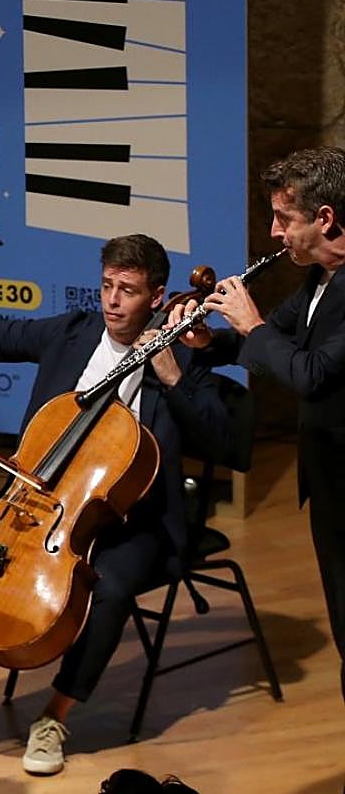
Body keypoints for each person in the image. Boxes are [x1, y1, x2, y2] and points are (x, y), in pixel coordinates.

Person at [0, 234, 230, 776]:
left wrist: (172, 375)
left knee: (110, 588)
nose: (112, 301)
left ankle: (56, 713)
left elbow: (219, 437)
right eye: (106, 285)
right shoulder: (73, 332)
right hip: (40, 499)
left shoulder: (184, 357)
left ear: (157, 297)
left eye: (128, 291)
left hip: (136, 518)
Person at [168, 145, 345, 704]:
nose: (274, 232)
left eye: (283, 218)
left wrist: (252, 323)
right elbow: (273, 341)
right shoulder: (319, 278)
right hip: (330, 481)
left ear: (324, 218)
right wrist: (206, 341)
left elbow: (310, 373)